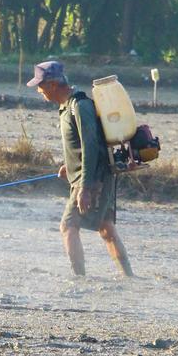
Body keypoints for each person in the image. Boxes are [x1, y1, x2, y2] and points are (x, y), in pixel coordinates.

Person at [27, 60, 134, 277]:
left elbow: (91, 146)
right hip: (94, 175)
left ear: (54, 84)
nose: (39, 90)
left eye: (41, 85)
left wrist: (84, 187)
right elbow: (82, 146)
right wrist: (70, 166)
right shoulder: (67, 107)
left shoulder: (80, 106)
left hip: (92, 179)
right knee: (106, 228)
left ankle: (79, 279)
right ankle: (129, 277)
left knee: (68, 226)